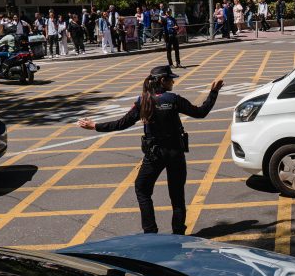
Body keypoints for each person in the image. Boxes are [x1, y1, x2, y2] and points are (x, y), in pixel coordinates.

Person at [76, 67, 225, 235]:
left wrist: (95, 126)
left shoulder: (143, 101)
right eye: (170, 79)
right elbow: (201, 112)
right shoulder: (173, 99)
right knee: (177, 196)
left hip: (154, 155)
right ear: (162, 81)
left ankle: (150, 232)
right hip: (175, 153)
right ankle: (178, 233)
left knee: (142, 189)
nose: (173, 81)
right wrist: (213, 92)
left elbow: (122, 123)